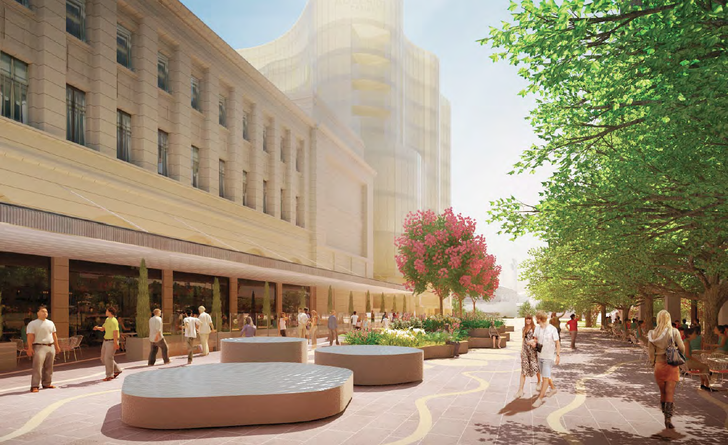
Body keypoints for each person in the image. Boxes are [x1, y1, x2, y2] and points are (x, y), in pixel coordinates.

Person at [648, 309, 685, 429]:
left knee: (662, 391)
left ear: (658, 319)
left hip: (659, 364)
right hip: (672, 365)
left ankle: (664, 413)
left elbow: (651, 353)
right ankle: (668, 418)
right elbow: (682, 348)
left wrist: (653, 362)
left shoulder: (653, 334)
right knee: (670, 392)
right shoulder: (674, 332)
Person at [26, 305, 61, 393]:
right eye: (42, 311)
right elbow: (30, 336)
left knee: (49, 366)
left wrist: (57, 346)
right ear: (38, 313)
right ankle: (35, 385)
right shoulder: (33, 323)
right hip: (39, 346)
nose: (45, 313)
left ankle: (47, 383)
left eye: (46, 311)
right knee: (37, 367)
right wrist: (29, 348)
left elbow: (54, 335)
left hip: (50, 346)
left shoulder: (50, 323)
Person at [531, 311, 560, 408]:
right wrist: (533, 342)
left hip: (548, 357)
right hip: (540, 355)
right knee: (545, 375)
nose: (536, 320)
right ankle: (553, 389)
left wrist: (558, 355)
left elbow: (557, 343)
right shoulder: (537, 328)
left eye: (537, 319)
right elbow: (535, 338)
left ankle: (540, 399)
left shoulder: (552, 329)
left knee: (545, 378)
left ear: (540, 319)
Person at [515, 315, 540, 398]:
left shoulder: (535, 328)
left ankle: (539, 381)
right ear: (525, 320)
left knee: (535, 367)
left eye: (529, 319)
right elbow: (523, 339)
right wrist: (522, 350)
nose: (528, 320)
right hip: (525, 351)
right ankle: (520, 390)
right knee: (523, 370)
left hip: (532, 351)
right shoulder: (524, 329)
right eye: (527, 319)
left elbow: (537, 339)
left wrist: (532, 341)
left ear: (531, 320)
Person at [93, 306, 122, 381]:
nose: (105, 312)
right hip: (106, 341)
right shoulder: (107, 319)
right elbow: (103, 328)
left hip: (112, 341)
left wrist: (116, 343)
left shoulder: (114, 321)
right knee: (103, 358)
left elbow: (115, 332)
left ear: (110, 312)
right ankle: (117, 370)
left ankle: (109, 375)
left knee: (108, 358)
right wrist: (97, 328)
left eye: (106, 311)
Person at [684, 327, 714, 391]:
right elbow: (687, 355)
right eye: (694, 334)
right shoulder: (687, 342)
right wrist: (698, 361)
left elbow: (691, 352)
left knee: (703, 367)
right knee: (706, 367)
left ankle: (703, 385)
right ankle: (707, 386)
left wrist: (704, 351)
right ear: (689, 335)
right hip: (688, 362)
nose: (696, 335)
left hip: (687, 361)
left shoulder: (687, 341)